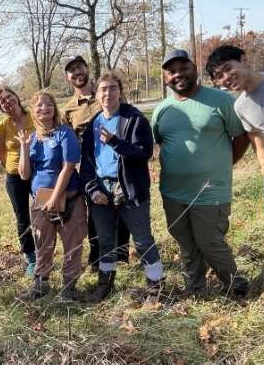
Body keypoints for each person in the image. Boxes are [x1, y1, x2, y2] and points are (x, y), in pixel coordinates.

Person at [151, 49, 250, 297]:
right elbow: (161, 142)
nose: (178, 75)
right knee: (186, 243)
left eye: (183, 68)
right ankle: (195, 290)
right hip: (173, 192)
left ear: (194, 68)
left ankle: (235, 286)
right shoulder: (162, 109)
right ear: (165, 77)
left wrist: (222, 165)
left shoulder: (220, 100)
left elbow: (240, 137)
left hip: (211, 190)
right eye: (171, 71)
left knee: (210, 243)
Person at [81, 72, 163, 302]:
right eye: (103, 89)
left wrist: (116, 142)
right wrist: (92, 189)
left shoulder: (133, 118)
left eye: (113, 88)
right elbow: (87, 162)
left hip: (129, 188)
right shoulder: (93, 124)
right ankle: (105, 284)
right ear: (96, 94)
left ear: (120, 91)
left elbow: (144, 152)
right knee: (105, 240)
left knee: (142, 239)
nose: (108, 93)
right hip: (101, 191)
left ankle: (155, 287)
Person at [206, 45, 264, 266]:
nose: (226, 78)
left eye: (228, 69)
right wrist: (263, 158)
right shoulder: (241, 106)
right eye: (219, 76)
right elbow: (254, 132)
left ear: (244, 60)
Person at [16, 90, 88, 301]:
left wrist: (56, 197)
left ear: (54, 108)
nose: (43, 108)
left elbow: (69, 166)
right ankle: (40, 285)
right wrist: (24, 147)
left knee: (73, 244)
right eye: (38, 105)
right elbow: (24, 174)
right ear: (33, 111)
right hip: (40, 203)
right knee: (43, 244)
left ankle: (69, 288)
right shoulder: (33, 138)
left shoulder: (64, 133)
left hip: (69, 199)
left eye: (48, 104)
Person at [62, 56, 130, 271]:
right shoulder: (68, 110)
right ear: (68, 77)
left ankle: (120, 256)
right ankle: (97, 258)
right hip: (91, 168)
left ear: (86, 69)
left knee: (121, 209)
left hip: (119, 163)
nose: (77, 72)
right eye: (71, 71)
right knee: (95, 213)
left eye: (79, 68)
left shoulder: (106, 92)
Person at [0, 86, 37, 275]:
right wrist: (13, 168)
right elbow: (0, 154)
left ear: (16, 97)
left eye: (9, 97)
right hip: (15, 178)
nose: (7, 102)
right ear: (1, 107)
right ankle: (31, 258)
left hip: (38, 173)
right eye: (2, 101)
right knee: (22, 218)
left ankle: (47, 253)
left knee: (45, 213)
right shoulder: (2, 126)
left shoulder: (33, 117)